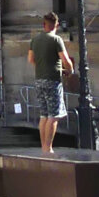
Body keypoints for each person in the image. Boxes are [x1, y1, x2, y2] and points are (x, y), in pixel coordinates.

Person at [27, 11, 73, 155]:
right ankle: (49, 148)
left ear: (43, 25)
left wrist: (41, 66)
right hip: (53, 80)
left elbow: (30, 59)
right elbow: (65, 60)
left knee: (44, 115)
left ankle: (43, 148)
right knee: (54, 116)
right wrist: (69, 71)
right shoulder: (56, 40)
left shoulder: (35, 40)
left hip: (39, 80)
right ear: (57, 25)